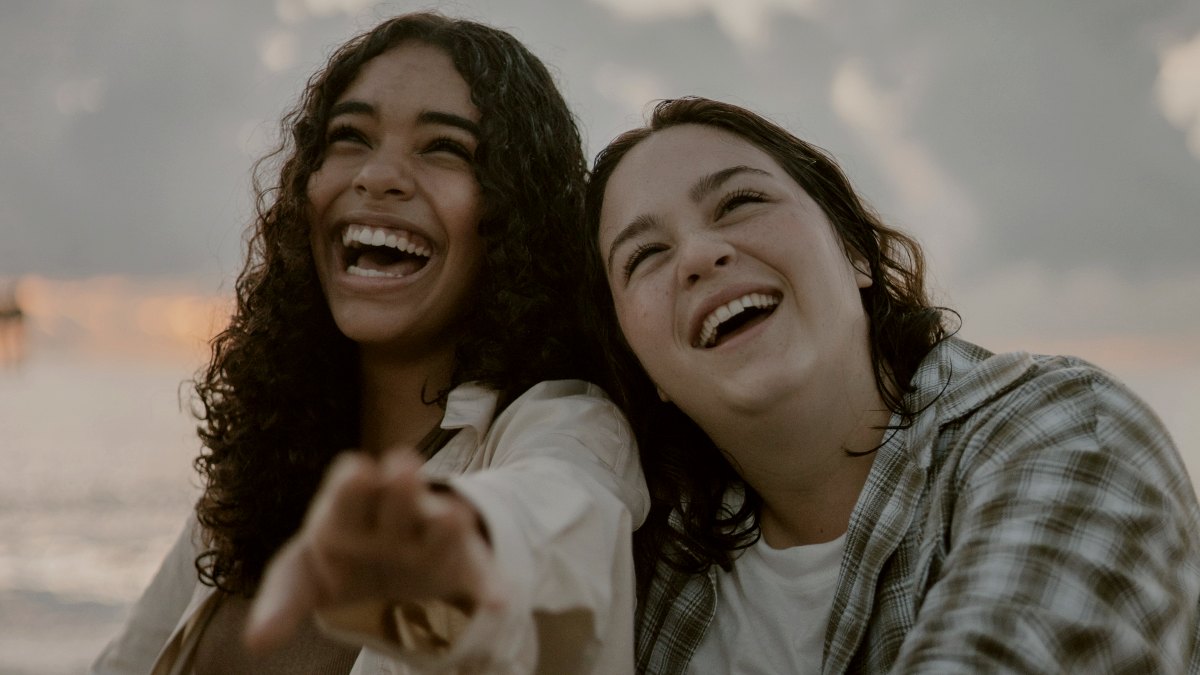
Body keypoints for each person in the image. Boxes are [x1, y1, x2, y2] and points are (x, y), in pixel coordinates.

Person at [90, 13, 647, 675]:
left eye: (443, 147)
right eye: (349, 137)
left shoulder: (564, 425)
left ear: (514, 214)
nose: (378, 176)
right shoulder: (263, 475)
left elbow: (558, 527)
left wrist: (465, 541)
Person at [581, 96, 1200, 673]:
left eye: (740, 202)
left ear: (853, 251)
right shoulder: (635, 560)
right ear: (640, 365)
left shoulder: (1061, 432)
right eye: (645, 256)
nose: (698, 255)